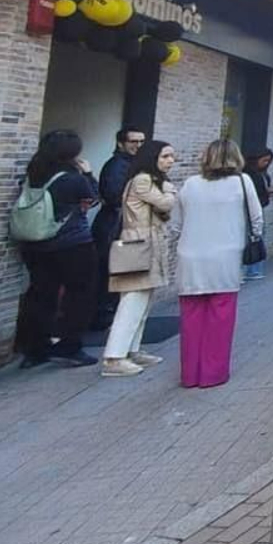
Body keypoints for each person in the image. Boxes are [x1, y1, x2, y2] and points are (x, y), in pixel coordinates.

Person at [175, 139, 262, 388]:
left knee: (191, 320)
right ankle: (213, 373)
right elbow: (256, 218)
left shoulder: (190, 184)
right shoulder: (242, 182)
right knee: (220, 319)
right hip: (226, 256)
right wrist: (251, 239)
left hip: (190, 256)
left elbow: (175, 223)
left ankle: (190, 374)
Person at [16, 129, 101, 368]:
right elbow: (92, 198)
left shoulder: (35, 173)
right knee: (80, 294)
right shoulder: (73, 178)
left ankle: (34, 348)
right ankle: (69, 345)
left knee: (41, 294)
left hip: (35, 244)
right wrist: (89, 173)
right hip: (72, 244)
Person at [99, 140, 178, 377]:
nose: (170, 161)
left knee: (143, 299)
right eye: (165, 156)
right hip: (138, 244)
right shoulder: (143, 180)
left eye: (172, 156)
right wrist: (170, 190)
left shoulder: (150, 181)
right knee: (132, 300)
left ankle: (131, 349)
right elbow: (165, 203)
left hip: (147, 243)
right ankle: (114, 357)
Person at [92, 125, 146, 328]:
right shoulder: (117, 165)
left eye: (141, 141)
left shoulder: (132, 164)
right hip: (114, 227)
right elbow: (114, 196)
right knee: (112, 272)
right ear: (121, 143)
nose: (138, 145)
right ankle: (103, 317)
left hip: (121, 225)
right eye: (133, 141)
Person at [242, 148, 273, 279]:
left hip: (261, 204)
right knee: (254, 236)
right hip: (253, 208)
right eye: (264, 160)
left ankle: (255, 268)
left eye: (269, 161)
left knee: (259, 236)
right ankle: (251, 269)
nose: (266, 163)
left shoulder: (262, 173)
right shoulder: (249, 175)